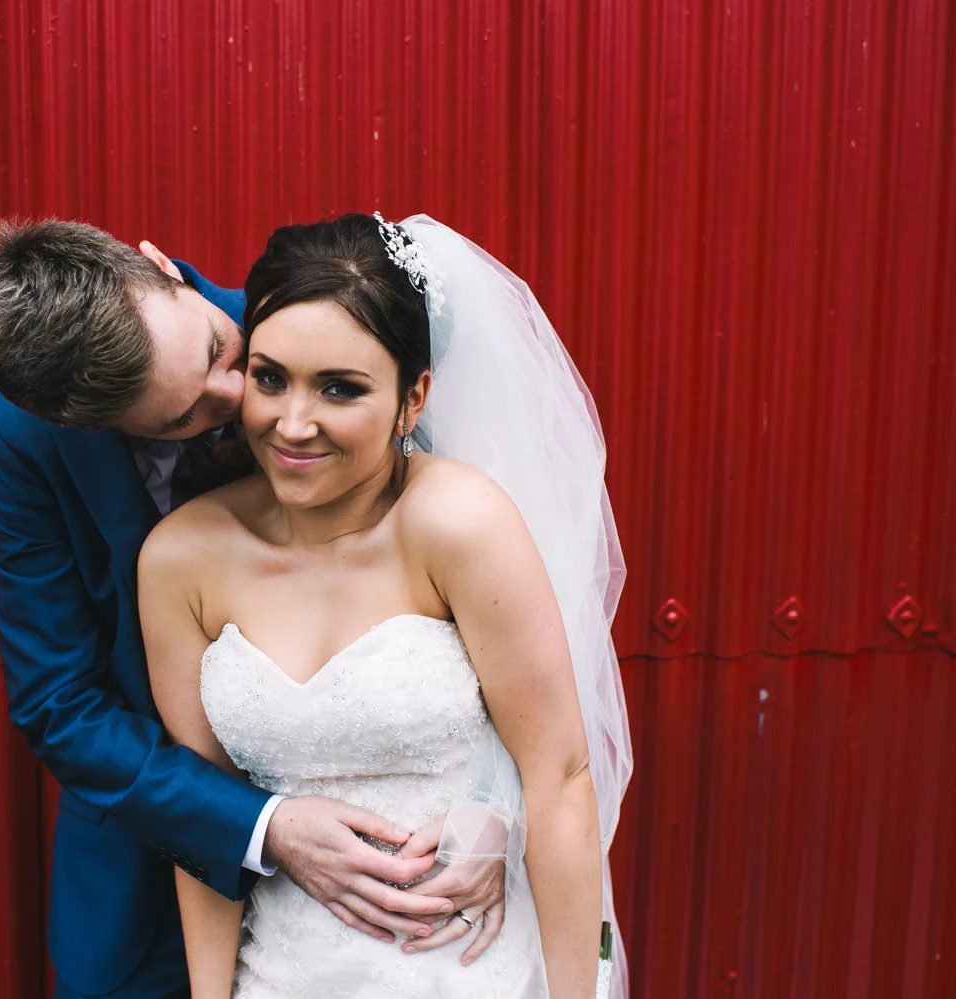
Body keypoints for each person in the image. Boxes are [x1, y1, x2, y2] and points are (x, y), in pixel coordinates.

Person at [0, 219, 506, 999]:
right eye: (179, 419)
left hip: (414, 887)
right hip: (154, 873)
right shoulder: (22, 440)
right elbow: (60, 703)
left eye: (221, 351)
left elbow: (505, 632)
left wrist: (497, 807)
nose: (242, 403)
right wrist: (260, 826)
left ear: (159, 266)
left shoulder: (344, 323)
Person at [138, 213, 633, 998]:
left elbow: (560, 774)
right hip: (282, 972)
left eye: (340, 388)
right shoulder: (178, 558)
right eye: (270, 378)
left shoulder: (460, 524)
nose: (292, 423)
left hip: (466, 968)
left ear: (414, 399)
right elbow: (200, 810)